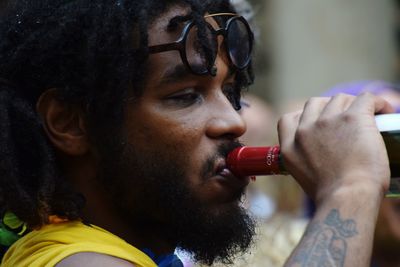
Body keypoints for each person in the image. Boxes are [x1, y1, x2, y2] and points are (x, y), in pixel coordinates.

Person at [0, 1, 394, 266]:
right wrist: (350, 188)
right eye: (186, 96)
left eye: (230, 92)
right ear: (71, 123)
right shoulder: (75, 260)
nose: (235, 122)